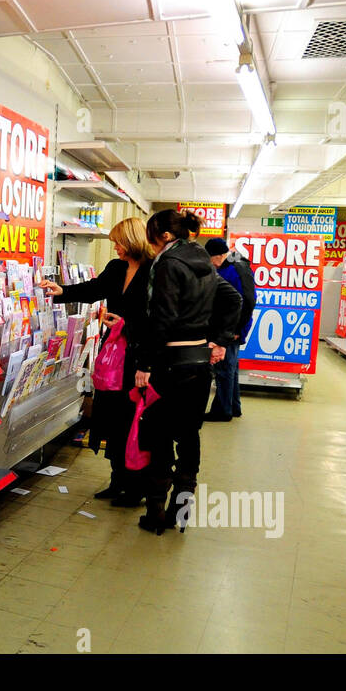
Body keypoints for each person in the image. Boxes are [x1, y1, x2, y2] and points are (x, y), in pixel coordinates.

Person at [132, 209, 243, 534]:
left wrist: (145, 364)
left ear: (164, 237)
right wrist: (219, 340)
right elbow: (233, 299)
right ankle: (181, 513)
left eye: (153, 237)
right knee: (189, 435)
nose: (151, 245)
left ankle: (155, 515)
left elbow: (162, 318)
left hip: (169, 363)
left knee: (160, 437)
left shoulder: (167, 263)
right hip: (199, 364)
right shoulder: (203, 261)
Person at [40, 218, 150, 505]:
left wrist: (126, 325)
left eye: (119, 242)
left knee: (132, 420)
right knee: (113, 417)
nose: (115, 247)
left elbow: (157, 318)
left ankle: (135, 486)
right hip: (113, 356)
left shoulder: (155, 271)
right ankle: (117, 480)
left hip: (139, 357)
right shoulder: (116, 268)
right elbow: (93, 289)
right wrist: (61, 290)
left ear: (134, 241)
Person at [203, 237, 256, 422]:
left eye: (210, 258)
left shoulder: (236, 269)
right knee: (231, 368)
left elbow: (248, 301)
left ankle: (222, 410)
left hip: (231, 328)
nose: (210, 263)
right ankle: (233, 406)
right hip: (230, 327)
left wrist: (236, 329)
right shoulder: (232, 266)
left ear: (218, 255)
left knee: (224, 370)